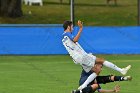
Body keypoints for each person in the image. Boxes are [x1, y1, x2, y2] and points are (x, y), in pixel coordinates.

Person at [62, 20, 131, 90]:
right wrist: (80, 29)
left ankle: (121, 70)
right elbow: (75, 40)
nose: (73, 29)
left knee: (100, 63)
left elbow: (73, 45)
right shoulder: (67, 34)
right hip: (81, 56)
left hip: (79, 57)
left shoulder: (64, 38)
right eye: (72, 27)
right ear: (68, 27)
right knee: (98, 68)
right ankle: (83, 86)